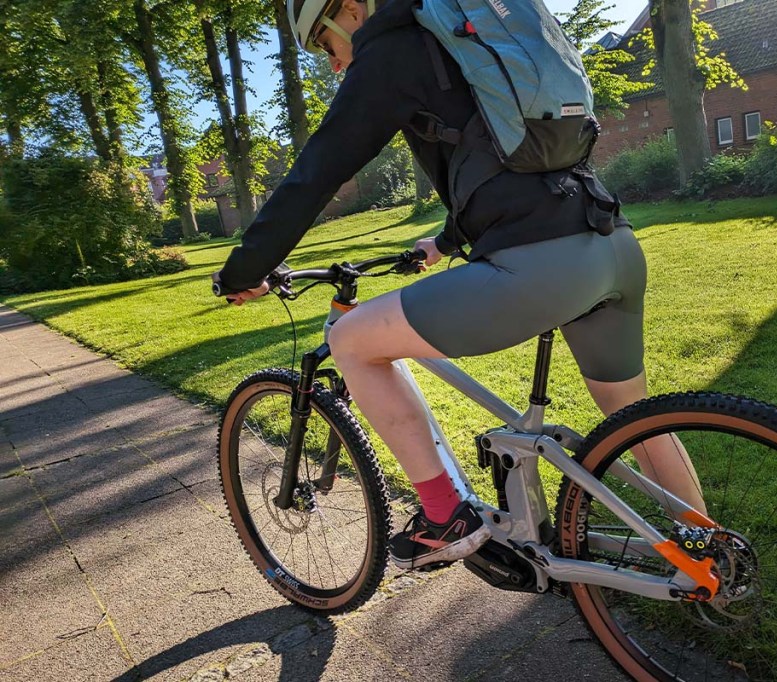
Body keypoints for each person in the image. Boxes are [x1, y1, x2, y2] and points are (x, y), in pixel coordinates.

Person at [212, 0, 705, 570]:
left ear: (348, 8)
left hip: (539, 266)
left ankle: (445, 516)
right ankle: (707, 553)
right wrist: (444, 243)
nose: (332, 64)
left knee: (351, 341)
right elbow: (503, 157)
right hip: (611, 242)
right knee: (633, 420)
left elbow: (316, 173)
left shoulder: (389, 48)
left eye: (325, 44)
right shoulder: (464, 41)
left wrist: (243, 272)